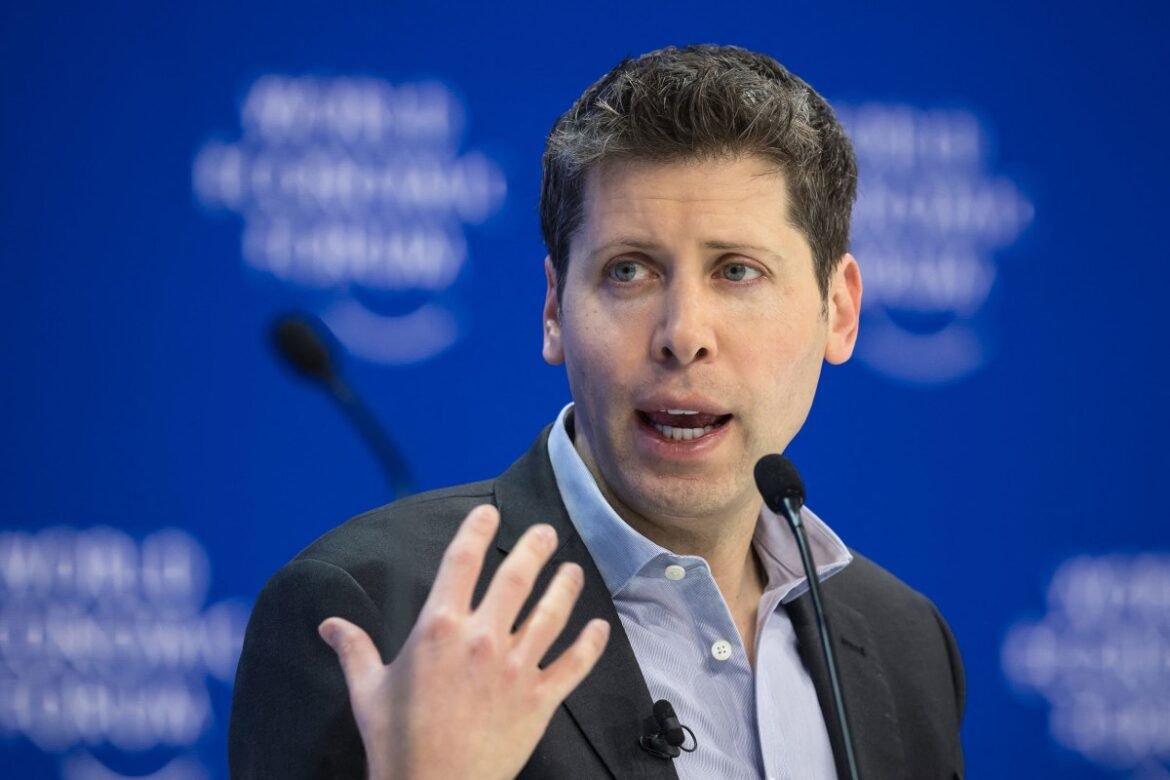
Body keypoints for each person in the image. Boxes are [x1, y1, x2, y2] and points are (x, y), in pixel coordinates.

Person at [229, 44, 965, 780]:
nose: (683, 334)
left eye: (738, 271)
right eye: (629, 270)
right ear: (554, 309)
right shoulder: (373, 615)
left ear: (840, 310)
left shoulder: (905, 645)